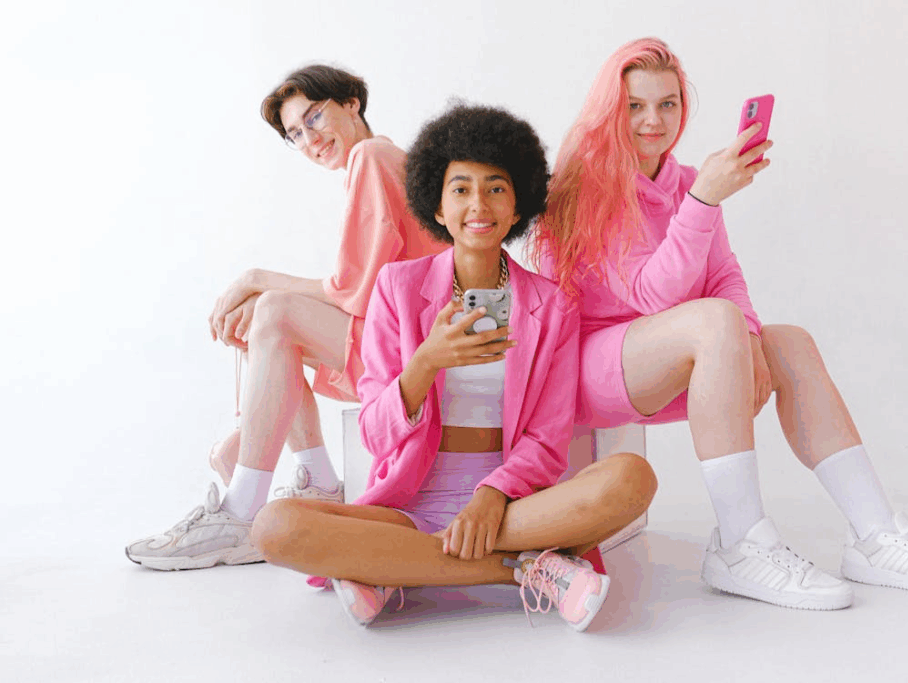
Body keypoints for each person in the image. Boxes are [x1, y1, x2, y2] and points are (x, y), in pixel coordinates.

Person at [533, 37, 908, 609]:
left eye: (668, 104)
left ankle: (877, 536)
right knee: (714, 321)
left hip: (674, 354)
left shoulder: (686, 181)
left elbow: (724, 274)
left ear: (684, 107)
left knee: (789, 342)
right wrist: (702, 202)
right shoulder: (585, 189)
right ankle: (740, 542)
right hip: (588, 367)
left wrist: (748, 342)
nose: (654, 120)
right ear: (610, 109)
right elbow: (650, 297)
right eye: (636, 105)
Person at [251, 104, 658, 631]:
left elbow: (549, 437)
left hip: (514, 506)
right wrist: (426, 363)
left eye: (496, 188)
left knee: (633, 478)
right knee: (275, 526)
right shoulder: (397, 289)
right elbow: (376, 435)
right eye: (460, 189)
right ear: (437, 208)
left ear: (518, 207)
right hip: (407, 505)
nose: (478, 204)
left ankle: (388, 567)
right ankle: (527, 570)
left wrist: (491, 497)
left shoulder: (554, 304)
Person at [125, 65, 445, 570]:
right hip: (405, 342)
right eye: (295, 134)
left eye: (314, 117)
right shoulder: (374, 162)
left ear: (352, 103)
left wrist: (257, 277)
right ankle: (315, 478)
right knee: (266, 316)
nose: (310, 139)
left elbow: (350, 289)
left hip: (417, 354)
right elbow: (361, 288)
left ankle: (240, 511)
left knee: (272, 311)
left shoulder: (371, 155)